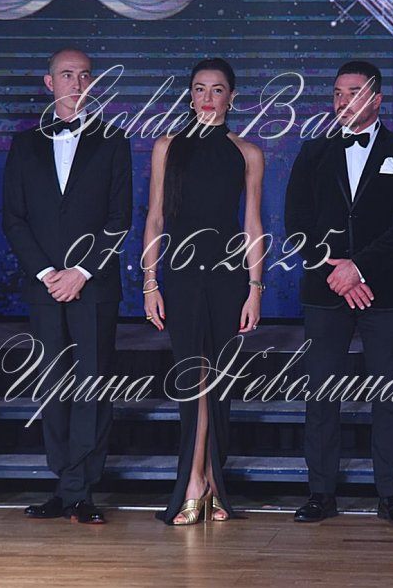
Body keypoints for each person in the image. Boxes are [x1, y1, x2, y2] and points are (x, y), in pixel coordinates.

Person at [284, 60, 393, 525]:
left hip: (383, 290)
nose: (343, 101)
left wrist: (359, 268)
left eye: (354, 92)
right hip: (325, 288)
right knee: (321, 395)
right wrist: (337, 271)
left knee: (389, 395)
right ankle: (320, 493)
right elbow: (297, 222)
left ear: (377, 99)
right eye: (338, 93)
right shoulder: (313, 151)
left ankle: (390, 494)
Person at [2, 48, 132, 525]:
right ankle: (64, 484)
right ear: (49, 82)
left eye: (84, 75)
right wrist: (46, 274)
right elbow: (13, 218)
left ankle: (82, 490)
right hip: (44, 287)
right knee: (53, 386)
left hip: (93, 286)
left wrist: (81, 272)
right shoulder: (24, 145)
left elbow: (119, 220)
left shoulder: (114, 141)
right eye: (67, 75)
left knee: (92, 386)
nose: (77, 83)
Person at [143, 58, 265, 525]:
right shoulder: (167, 146)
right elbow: (155, 217)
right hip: (180, 275)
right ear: (189, 95)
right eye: (199, 88)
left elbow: (252, 225)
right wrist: (150, 282)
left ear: (232, 96)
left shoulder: (247, 152)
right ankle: (195, 483)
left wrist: (255, 288)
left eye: (217, 89)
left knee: (217, 383)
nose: (207, 97)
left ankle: (209, 481)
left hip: (228, 276)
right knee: (191, 380)